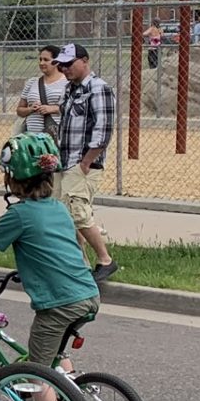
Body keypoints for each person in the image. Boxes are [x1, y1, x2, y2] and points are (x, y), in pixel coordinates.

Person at [0, 133, 95, 401]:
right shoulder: (57, 207)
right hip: (86, 293)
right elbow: (73, 250)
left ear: (12, 178)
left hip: (58, 304)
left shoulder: (19, 215)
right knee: (57, 354)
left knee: (36, 374)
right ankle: (73, 400)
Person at [53, 43, 118, 281]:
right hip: (65, 161)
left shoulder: (98, 89)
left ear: (85, 61)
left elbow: (104, 130)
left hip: (83, 164)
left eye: (69, 64)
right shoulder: (70, 89)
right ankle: (78, 265)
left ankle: (105, 260)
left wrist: (86, 162)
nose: (64, 69)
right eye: (61, 65)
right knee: (65, 215)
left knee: (77, 211)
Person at [17, 46, 68, 140]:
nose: (41, 63)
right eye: (40, 59)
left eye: (46, 60)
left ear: (56, 62)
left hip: (55, 138)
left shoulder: (67, 82)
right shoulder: (32, 82)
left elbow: (73, 109)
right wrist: (30, 109)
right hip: (32, 139)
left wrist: (54, 109)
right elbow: (20, 110)